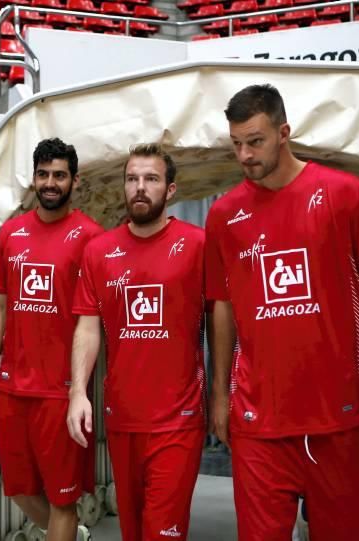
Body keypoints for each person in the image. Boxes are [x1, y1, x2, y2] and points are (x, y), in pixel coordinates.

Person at [204, 84, 359, 541]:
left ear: (284, 133)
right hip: (257, 417)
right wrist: (221, 392)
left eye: (255, 141)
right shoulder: (224, 215)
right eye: (236, 143)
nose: (244, 154)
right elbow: (221, 306)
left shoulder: (343, 193)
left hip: (335, 415)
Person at [67, 144, 206, 541]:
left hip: (179, 420)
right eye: (132, 179)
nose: (140, 188)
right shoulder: (99, 251)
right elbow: (88, 328)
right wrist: (78, 391)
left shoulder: (197, 245)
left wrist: (221, 397)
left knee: (162, 532)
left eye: (151, 179)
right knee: (133, 532)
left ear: (171, 189)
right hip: (123, 417)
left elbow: (221, 320)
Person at [0, 138, 103, 541]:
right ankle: (71, 535)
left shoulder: (90, 237)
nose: (50, 183)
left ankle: (66, 530)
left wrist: (80, 387)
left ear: (75, 181)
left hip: (60, 392)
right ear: (33, 179)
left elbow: (92, 321)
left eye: (59, 175)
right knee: (20, 491)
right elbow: (0, 308)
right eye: (43, 174)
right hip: (13, 388)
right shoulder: (10, 234)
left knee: (63, 500)